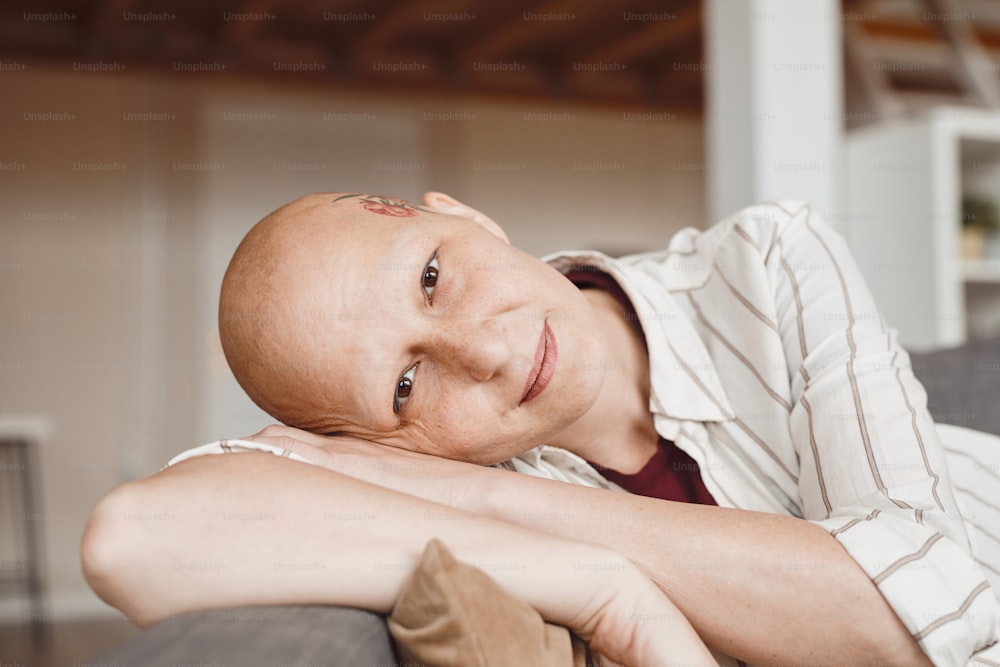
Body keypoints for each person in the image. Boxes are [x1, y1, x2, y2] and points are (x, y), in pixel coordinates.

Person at [82, 191, 1000, 666]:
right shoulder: (425, 462)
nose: (483, 350)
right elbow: (135, 536)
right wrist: (607, 591)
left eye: (433, 278)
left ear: (460, 213)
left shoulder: (764, 263)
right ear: (377, 444)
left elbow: (924, 618)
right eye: (405, 383)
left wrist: (478, 495)